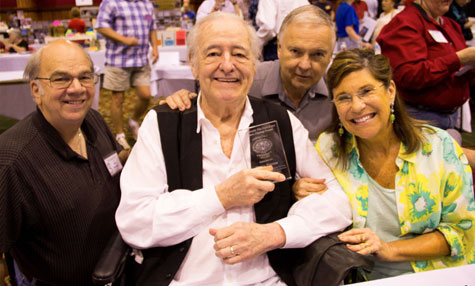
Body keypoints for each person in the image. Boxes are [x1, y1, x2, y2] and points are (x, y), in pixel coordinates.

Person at [115, 12, 352, 285]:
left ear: (254, 64)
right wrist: (221, 197)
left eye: (239, 55)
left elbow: (336, 200)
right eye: (213, 53)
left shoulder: (280, 121)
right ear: (193, 64)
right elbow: (134, 221)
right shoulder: (165, 124)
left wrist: (276, 233)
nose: (227, 65)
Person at [295, 48, 475, 280]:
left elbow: (462, 231)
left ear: (390, 91)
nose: (357, 106)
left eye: (366, 91)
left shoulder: (439, 146)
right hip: (357, 278)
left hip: (435, 276)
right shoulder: (328, 149)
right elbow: (318, 219)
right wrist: (298, 192)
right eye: (344, 97)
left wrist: (389, 249)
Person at [0, 40, 126, 285]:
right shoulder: (12, 160)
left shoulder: (93, 120)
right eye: (61, 79)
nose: (77, 88)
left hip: (114, 267)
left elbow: (115, 161)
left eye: (85, 77)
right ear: (36, 89)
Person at [164, 5, 337, 144]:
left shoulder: (339, 91)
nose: (305, 65)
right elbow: (211, 95)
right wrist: (187, 100)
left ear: (330, 56)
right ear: (279, 48)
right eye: (295, 51)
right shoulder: (246, 81)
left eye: (317, 54)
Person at [376, 0, 475, 137]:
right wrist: (459, 59)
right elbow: (409, 76)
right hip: (420, 118)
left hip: (450, 117)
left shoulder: (451, 25)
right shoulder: (405, 23)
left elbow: (460, 70)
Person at [95, 0, 159, 149]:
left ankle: (133, 121)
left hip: (141, 60)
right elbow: (101, 26)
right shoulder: (110, 2)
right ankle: (119, 134)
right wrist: (124, 40)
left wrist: (155, 47)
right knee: (118, 98)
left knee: (145, 96)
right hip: (118, 60)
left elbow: (152, 27)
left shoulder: (146, 4)